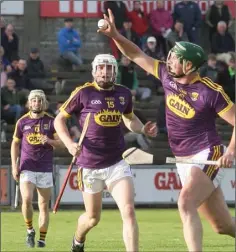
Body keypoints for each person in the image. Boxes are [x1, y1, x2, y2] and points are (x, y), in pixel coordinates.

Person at [97, 9, 235, 252]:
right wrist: (116, 35)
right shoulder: (167, 76)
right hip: (183, 158)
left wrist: (231, 151)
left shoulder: (210, 92)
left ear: (189, 65)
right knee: (223, 226)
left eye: (175, 58)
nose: (169, 60)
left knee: (185, 202)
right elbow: (136, 54)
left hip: (208, 153)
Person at [54, 54, 157, 252]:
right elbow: (59, 120)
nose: (105, 71)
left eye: (109, 68)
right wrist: (69, 144)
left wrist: (142, 129)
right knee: (93, 218)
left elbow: (129, 119)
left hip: (117, 162)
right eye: (101, 68)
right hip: (89, 164)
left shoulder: (123, 93)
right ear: (94, 70)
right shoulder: (83, 93)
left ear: (115, 72)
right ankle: (78, 239)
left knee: (128, 211)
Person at [11, 90, 62, 248]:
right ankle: (29, 230)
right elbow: (15, 143)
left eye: (39, 101)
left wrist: (50, 141)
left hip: (45, 168)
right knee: (26, 199)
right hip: (27, 166)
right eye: (34, 100)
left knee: (43, 205)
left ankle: (42, 239)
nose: (36, 103)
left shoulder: (51, 121)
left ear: (43, 103)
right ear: (29, 103)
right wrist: (14, 165)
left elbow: (61, 142)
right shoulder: (22, 122)